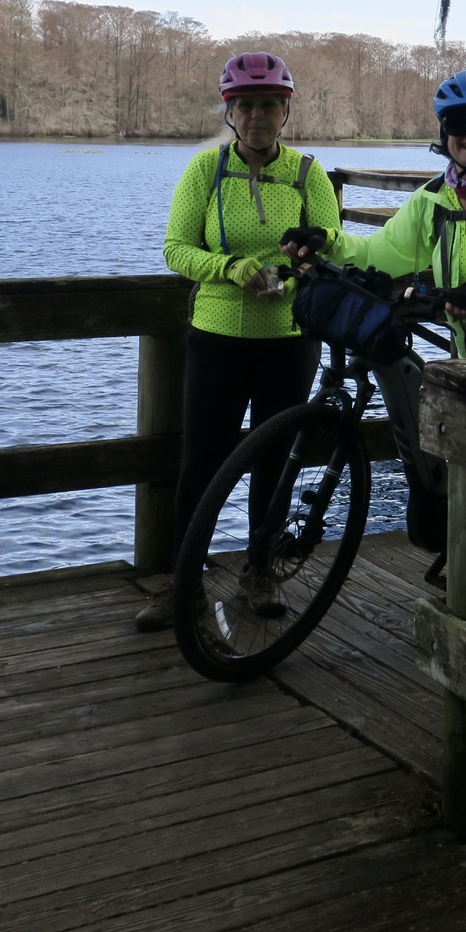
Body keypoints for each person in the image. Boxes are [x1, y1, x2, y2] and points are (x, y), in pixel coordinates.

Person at [281, 68, 466, 589]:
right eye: (459, 122)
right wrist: (328, 240)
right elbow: (385, 251)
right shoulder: (433, 199)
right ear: (443, 131)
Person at [135, 51, 342, 632]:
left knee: (275, 462)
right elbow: (176, 249)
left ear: (285, 112)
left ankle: (260, 571)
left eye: (268, 106)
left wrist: (298, 268)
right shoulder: (207, 171)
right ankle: (186, 579)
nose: (257, 116)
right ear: (230, 111)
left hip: (289, 340)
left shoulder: (308, 174)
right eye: (245, 105)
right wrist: (230, 267)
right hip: (218, 339)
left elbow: (332, 246)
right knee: (201, 459)